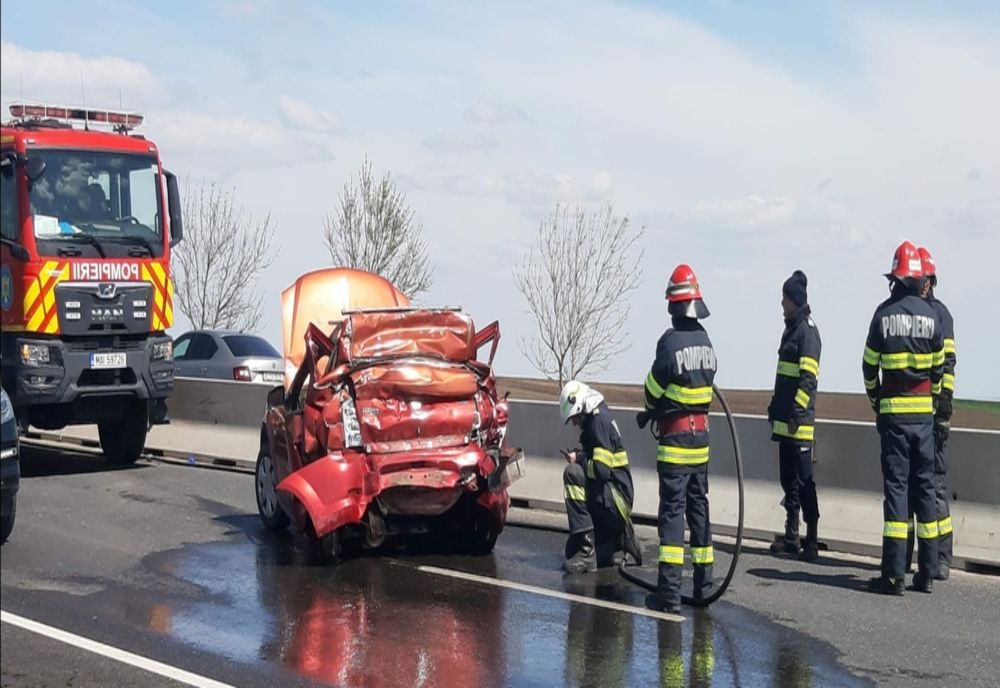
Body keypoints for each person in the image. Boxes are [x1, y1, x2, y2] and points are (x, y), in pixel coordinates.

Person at [863, 241, 945, 595]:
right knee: (924, 490)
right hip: (924, 420)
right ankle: (926, 574)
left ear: (896, 278)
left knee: (897, 492)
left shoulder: (883, 315)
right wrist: (931, 403)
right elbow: (939, 371)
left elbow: (869, 367)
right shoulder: (933, 317)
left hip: (894, 420)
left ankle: (894, 575)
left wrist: (877, 401)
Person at [638, 264, 717, 613]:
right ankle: (703, 587)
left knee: (672, 515)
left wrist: (652, 408)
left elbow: (652, 390)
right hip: (701, 444)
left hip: (675, 444)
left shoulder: (670, 343)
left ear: (674, 304)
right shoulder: (706, 341)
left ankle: (669, 595)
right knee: (699, 510)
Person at [903, 247, 956, 580]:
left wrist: (943, 409)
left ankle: (941, 556)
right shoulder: (914, 312)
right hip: (915, 417)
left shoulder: (940, 315)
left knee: (934, 487)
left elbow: (947, 365)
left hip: (934, 416)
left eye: (924, 279)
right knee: (912, 489)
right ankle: (907, 558)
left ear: (930, 281)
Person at [767, 270, 822, 561]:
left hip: (798, 426)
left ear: (795, 300)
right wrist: (774, 407)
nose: (781, 303)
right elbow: (784, 378)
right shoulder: (791, 330)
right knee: (787, 480)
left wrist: (796, 415)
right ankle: (791, 538)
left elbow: (807, 381)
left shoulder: (807, 333)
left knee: (804, 482)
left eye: (784, 298)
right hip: (784, 423)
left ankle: (810, 540)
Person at [560, 380, 642, 574]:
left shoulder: (598, 422)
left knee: (572, 474)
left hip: (616, 499)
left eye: (575, 418)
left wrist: (579, 459)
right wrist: (581, 455)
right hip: (613, 496)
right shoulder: (596, 418)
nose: (575, 423)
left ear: (580, 406)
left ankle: (587, 553)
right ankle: (618, 541)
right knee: (571, 550)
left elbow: (600, 471)